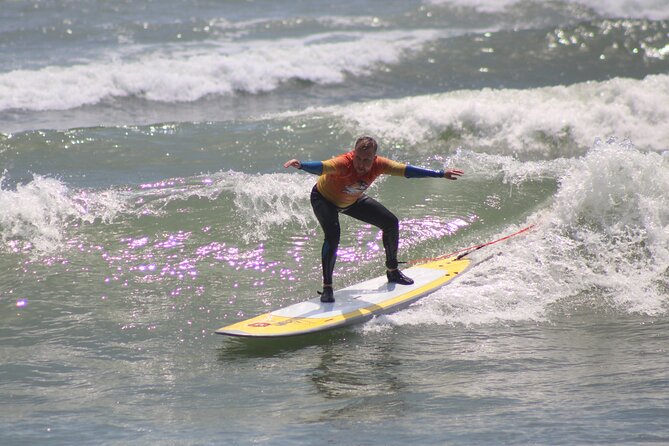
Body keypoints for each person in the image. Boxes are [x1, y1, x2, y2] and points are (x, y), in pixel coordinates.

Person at [284, 136, 463, 303]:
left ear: (374, 157)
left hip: (352, 199)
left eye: (367, 160)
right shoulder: (342, 163)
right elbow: (322, 167)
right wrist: (301, 165)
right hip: (324, 199)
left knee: (390, 223)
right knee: (333, 236)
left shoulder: (380, 165)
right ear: (353, 155)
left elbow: (407, 171)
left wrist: (440, 174)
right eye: (359, 159)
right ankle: (327, 288)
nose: (361, 164)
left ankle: (392, 271)